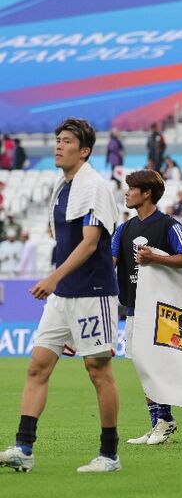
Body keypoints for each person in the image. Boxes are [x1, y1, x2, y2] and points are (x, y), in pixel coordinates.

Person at [0, 118, 122, 473]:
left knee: (98, 370)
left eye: (66, 140)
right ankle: (24, 449)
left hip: (92, 291)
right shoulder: (62, 187)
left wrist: (53, 277)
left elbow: (90, 242)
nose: (58, 145)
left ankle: (110, 455)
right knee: (38, 365)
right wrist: (57, 283)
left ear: (84, 150)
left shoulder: (95, 187)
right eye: (57, 139)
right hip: (65, 294)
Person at [112, 170, 182, 446]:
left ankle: (164, 421)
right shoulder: (124, 229)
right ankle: (159, 422)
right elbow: (110, 261)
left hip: (162, 310)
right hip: (134, 308)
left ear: (146, 193)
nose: (126, 192)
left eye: (131, 188)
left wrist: (157, 259)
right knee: (144, 367)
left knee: (155, 366)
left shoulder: (168, 226)